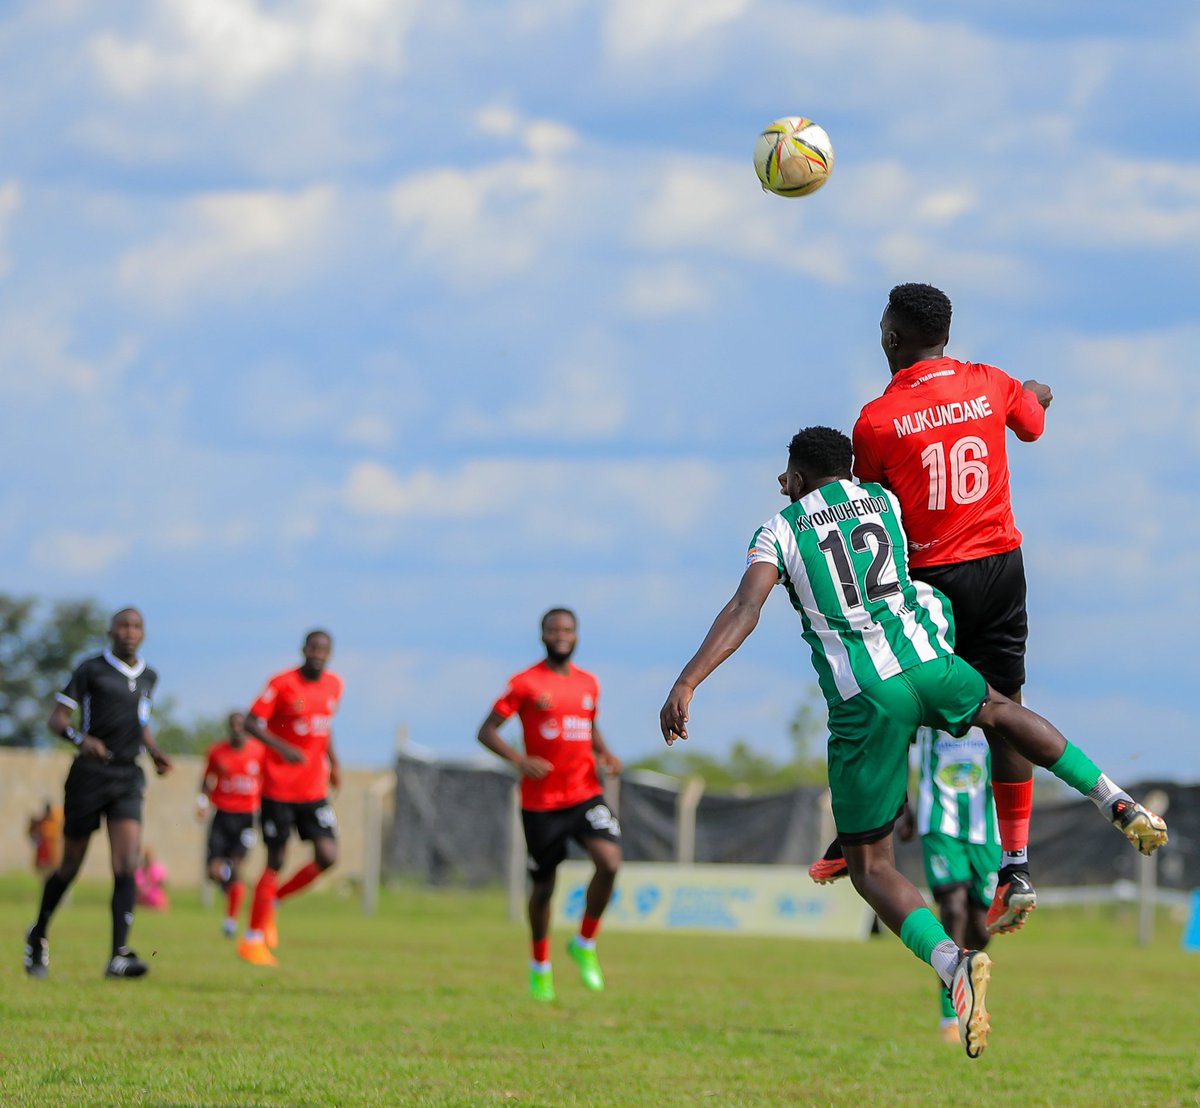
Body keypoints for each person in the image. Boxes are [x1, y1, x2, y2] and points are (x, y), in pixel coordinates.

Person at [659, 427, 1167, 1058]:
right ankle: (1113, 797)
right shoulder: (884, 499)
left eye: (785, 476)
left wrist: (687, 681)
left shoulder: (779, 529)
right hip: (929, 662)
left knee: (873, 868)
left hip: (867, 696)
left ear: (794, 473)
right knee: (1004, 713)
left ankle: (953, 962)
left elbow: (745, 607)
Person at [814, 282, 1054, 937]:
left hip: (931, 575)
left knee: (902, 693)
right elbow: (1029, 425)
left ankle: (866, 826)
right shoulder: (990, 381)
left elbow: (874, 503)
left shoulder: (876, 420)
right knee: (1006, 711)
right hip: (1002, 564)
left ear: (893, 339)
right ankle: (1017, 863)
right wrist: (1036, 394)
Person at [477, 608, 623, 1002]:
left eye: (567, 629)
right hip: (541, 803)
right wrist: (519, 760)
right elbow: (486, 731)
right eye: (553, 629)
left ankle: (584, 943)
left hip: (585, 793)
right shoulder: (525, 683)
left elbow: (587, 725)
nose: (561, 635)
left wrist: (605, 752)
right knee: (543, 888)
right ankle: (540, 965)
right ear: (542, 635)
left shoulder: (589, 683)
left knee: (609, 861)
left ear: (577, 635)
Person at [24, 607, 173, 979]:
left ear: (144, 633)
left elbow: (141, 721)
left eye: (136, 626)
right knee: (70, 865)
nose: (129, 631)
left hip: (128, 776)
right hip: (89, 776)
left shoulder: (149, 676)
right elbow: (57, 720)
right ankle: (38, 934)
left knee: (126, 866)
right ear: (110, 631)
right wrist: (81, 739)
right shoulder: (90, 670)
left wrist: (154, 752)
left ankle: (118, 955)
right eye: (122, 625)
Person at [237, 630, 342, 967]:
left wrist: (334, 762)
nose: (318, 654)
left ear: (330, 654)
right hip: (278, 789)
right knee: (275, 859)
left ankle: (275, 902)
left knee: (328, 855)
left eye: (324, 650)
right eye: (313, 648)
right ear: (303, 650)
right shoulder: (282, 683)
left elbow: (323, 727)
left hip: (313, 791)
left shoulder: (335, 685)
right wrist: (283, 748)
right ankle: (252, 940)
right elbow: (251, 722)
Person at [896, 727, 998, 1044]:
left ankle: (971, 992)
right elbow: (898, 743)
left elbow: (1017, 751)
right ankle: (950, 1016)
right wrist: (903, 802)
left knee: (981, 928)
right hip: (939, 819)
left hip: (987, 825)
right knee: (953, 909)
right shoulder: (926, 688)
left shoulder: (999, 691)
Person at [198, 712, 264, 937]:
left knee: (237, 866)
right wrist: (202, 802)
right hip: (222, 815)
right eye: (233, 724)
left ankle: (230, 921)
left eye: (241, 724)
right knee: (213, 872)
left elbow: (267, 781)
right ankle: (233, 889)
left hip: (246, 817)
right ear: (228, 727)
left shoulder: (259, 752)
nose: (237, 728)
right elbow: (207, 780)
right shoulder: (217, 751)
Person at [28, 801, 64, 879]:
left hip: (54, 857)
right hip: (44, 856)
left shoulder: (55, 822)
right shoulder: (41, 823)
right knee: (45, 878)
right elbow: (32, 834)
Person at [135, 846, 169, 911]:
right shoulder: (140, 871)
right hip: (142, 896)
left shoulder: (157, 870)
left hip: (154, 896)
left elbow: (162, 884)